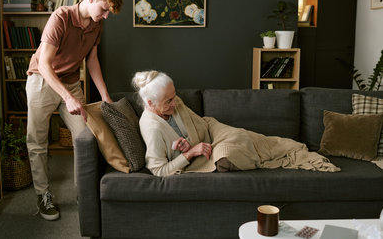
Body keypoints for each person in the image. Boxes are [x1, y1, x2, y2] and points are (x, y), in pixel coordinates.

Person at [26, 0, 122, 220]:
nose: (106, 16)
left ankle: (85, 193)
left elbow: (92, 61)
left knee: (85, 137)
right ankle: (43, 195)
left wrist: (106, 97)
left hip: (70, 81)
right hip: (42, 81)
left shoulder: (96, 22)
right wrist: (67, 97)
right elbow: (45, 65)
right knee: (37, 141)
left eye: (109, 12)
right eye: (104, 9)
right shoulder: (60, 17)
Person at [131, 70, 340, 177]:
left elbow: (197, 126)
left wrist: (187, 142)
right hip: (199, 153)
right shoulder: (152, 127)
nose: (175, 103)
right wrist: (189, 153)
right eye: (168, 101)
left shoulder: (172, 102)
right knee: (228, 154)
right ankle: (262, 157)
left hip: (210, 131)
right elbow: (159, 171)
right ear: (150, 103)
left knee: (243, 136)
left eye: (174, 96)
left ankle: (284, 149)